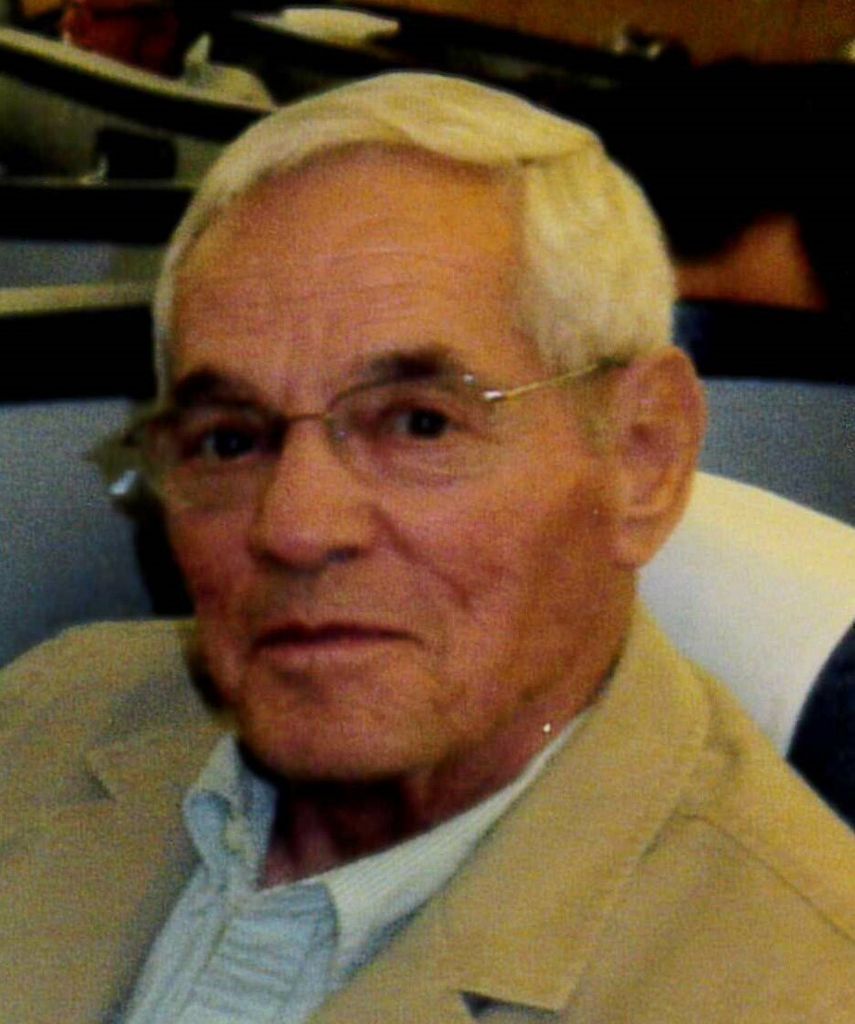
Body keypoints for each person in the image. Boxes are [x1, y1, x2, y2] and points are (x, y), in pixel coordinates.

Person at [1, 73, 853, 1024]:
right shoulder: (52, 712)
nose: (294, 528)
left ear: (641, 456)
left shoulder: (804, 987)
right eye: (230, 440)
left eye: (418, 424)